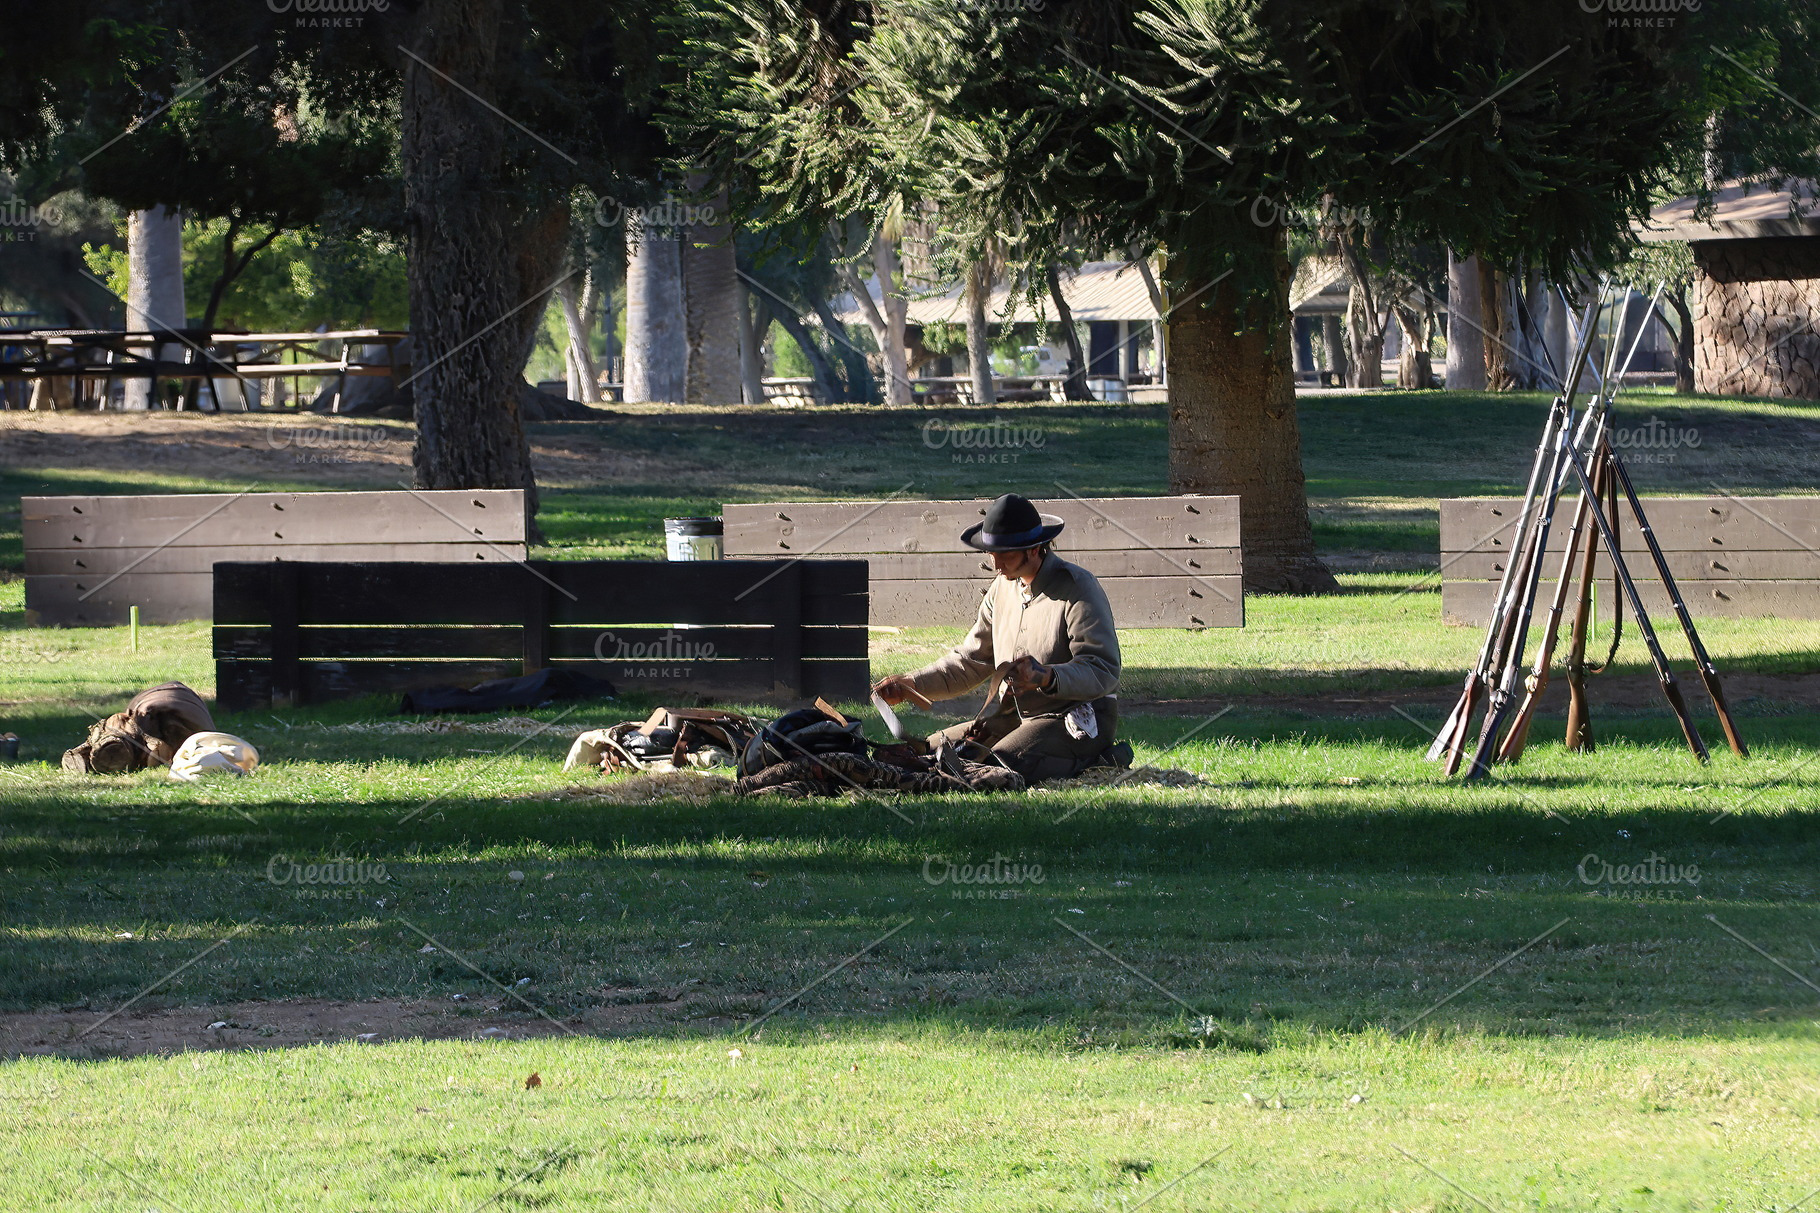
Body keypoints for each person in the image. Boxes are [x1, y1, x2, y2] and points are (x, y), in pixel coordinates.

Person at [872, 493, 1125, 781]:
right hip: (1013, 720)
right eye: (991, 552)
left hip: (1075, 719)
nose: (995, 563)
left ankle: (1097, 759)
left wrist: (1046, 676)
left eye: (1004, 553)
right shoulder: (1001, 589)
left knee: (996, 767)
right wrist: (912, 684)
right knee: (931, 752)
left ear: (1034, 549)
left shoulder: (1079, 588)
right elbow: (970, 661)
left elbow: (1102, 669)